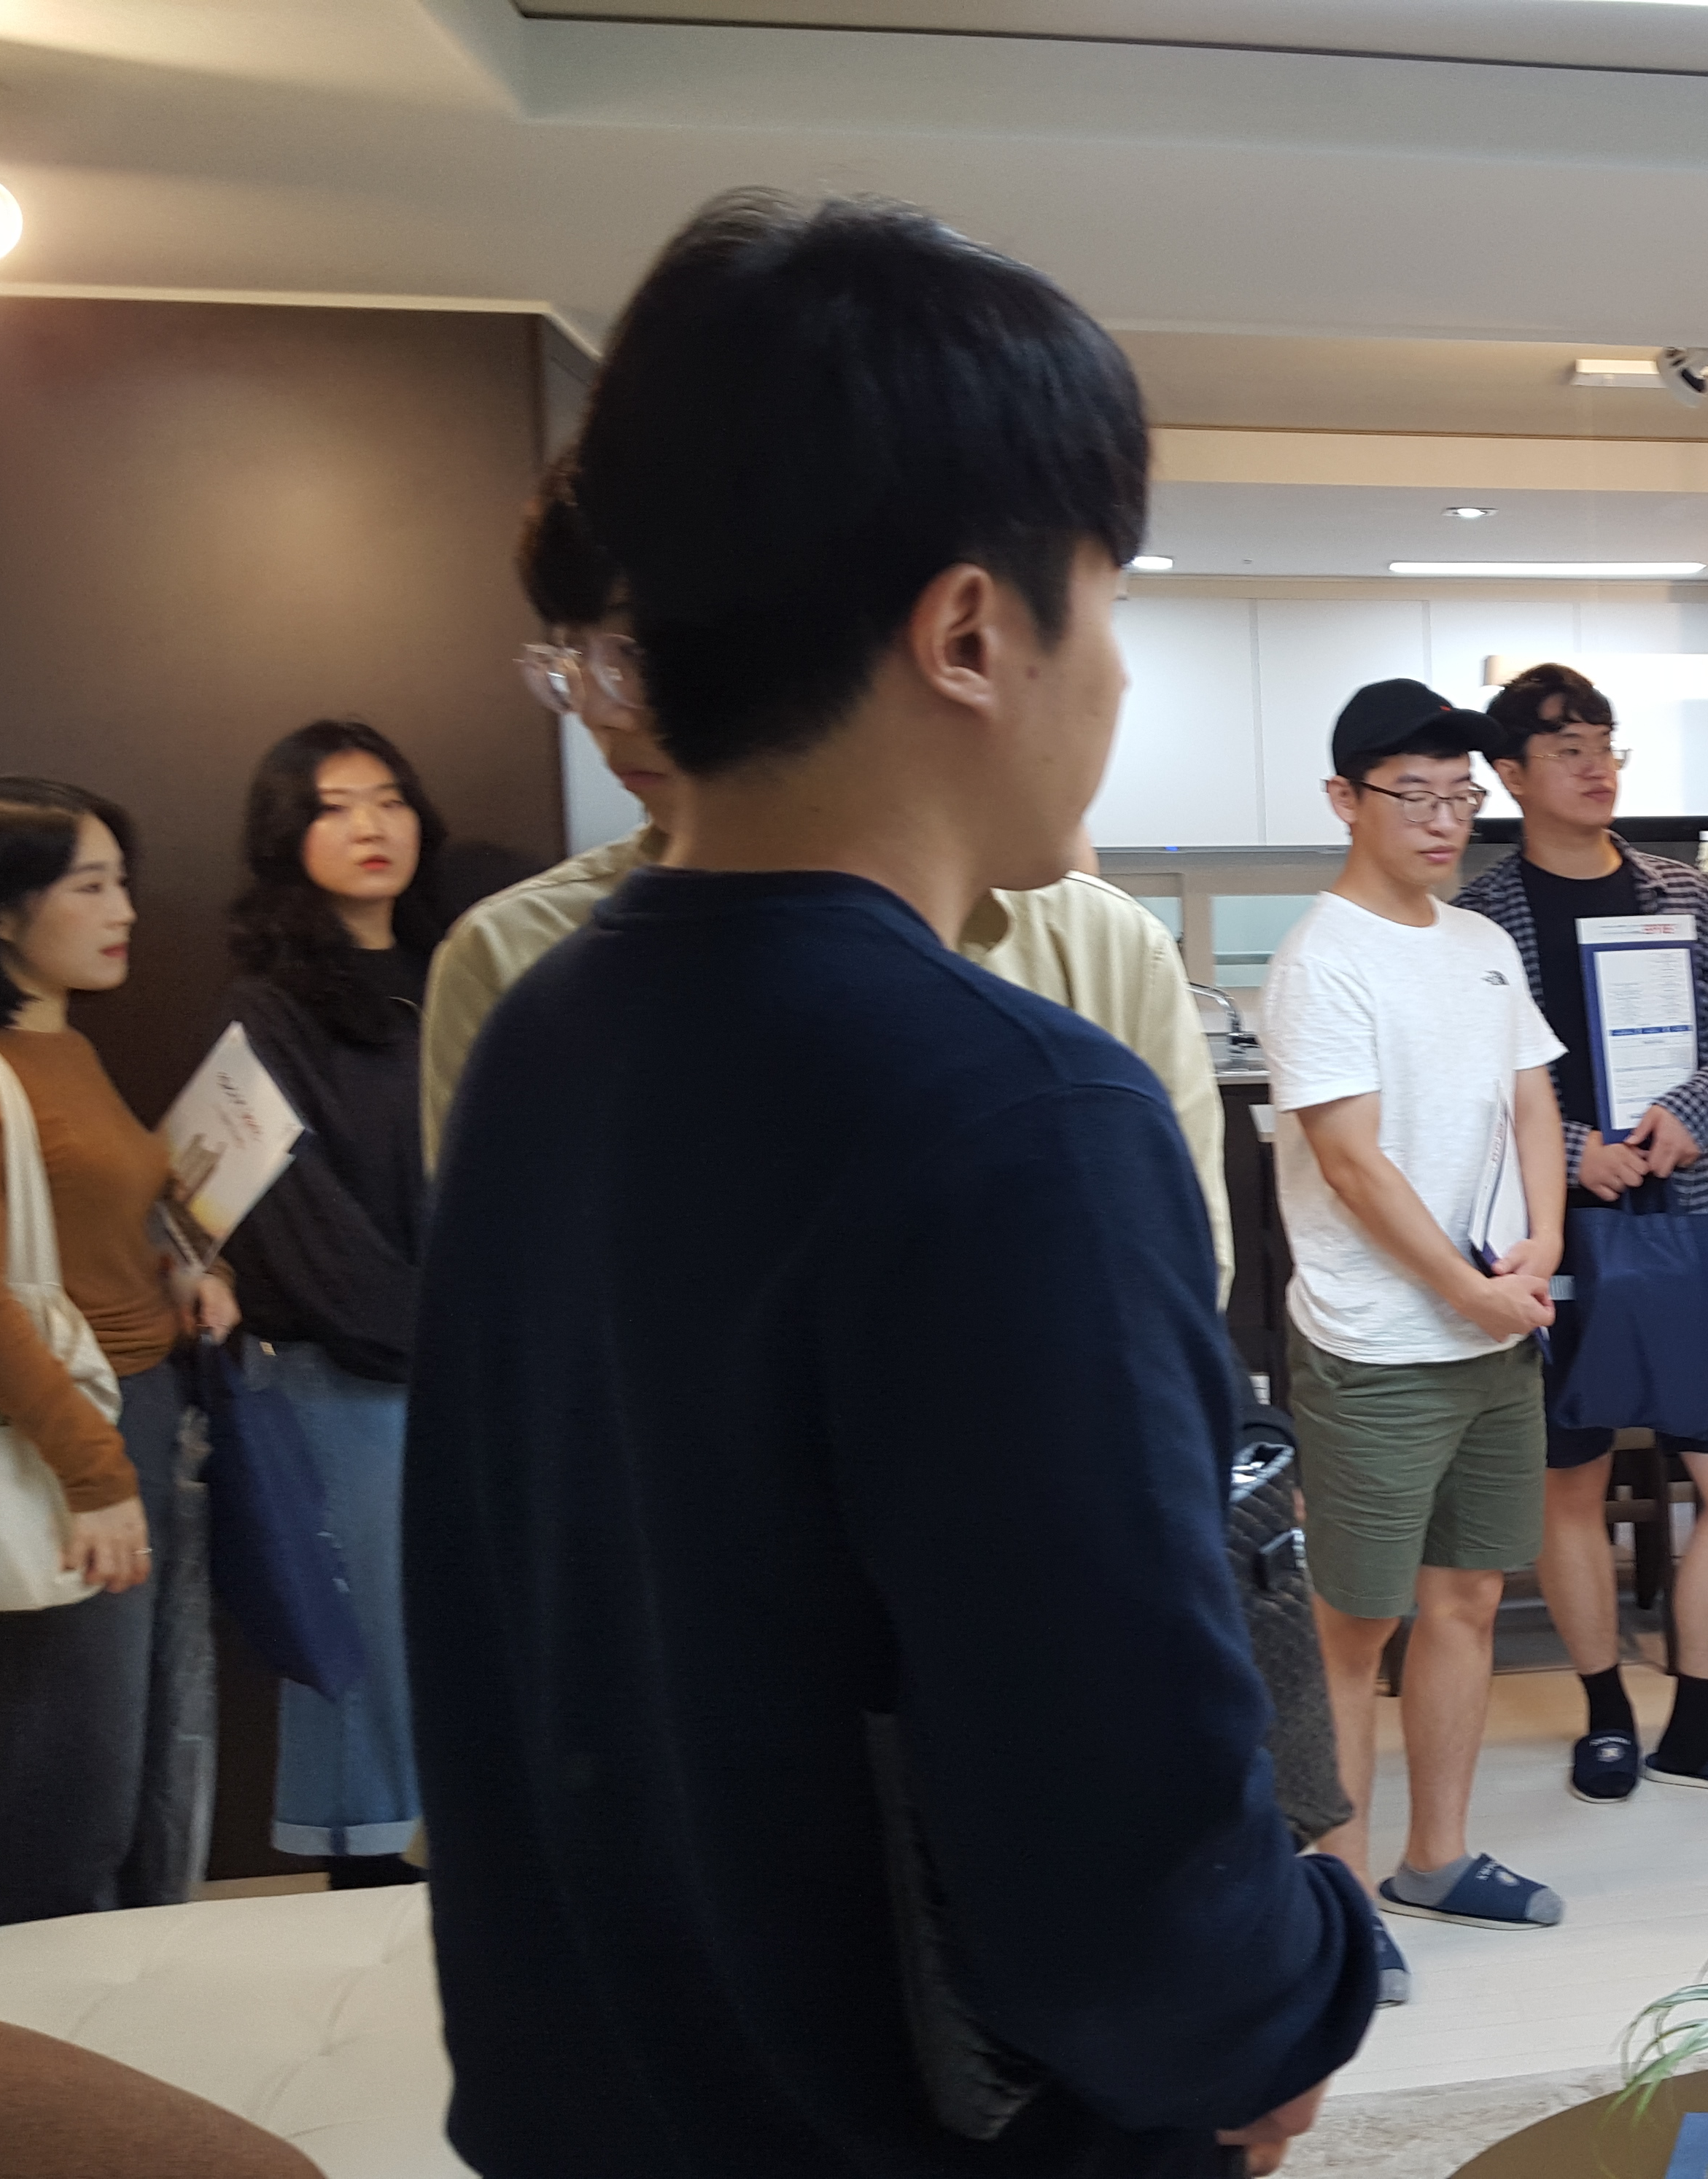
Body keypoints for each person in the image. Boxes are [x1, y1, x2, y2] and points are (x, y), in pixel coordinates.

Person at [403, 191, 1366, 2177]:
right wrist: (1300, 1978)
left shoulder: (541, 1030)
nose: (1117, 676)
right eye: (1108, 597)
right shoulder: (1018, 1105)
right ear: (970, 631)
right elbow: (1132, 1881)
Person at [423, 478, 1233, 1300]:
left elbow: (1182, 1287)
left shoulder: (1105, 957)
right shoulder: (520, 967)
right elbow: (507, 1313)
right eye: (576, 664)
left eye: (633, 656)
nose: (605, 712)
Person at [1454, 662, 1708, 1805]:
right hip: (1550, 1244)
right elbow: (1467, 1088)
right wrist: (1571, 1152)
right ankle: (1605, 1712)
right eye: (1568, 749)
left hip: (1679, 1225)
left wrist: (1688, 1114)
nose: (1596, 766)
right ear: (1511, 775)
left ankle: (1698, 1723)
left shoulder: (1682, 895)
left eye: (1606, 744)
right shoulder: (1479, 921)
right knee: (1573, 1487)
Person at [1268, 677, 1569, 1999]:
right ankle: (1337, 1902)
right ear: (1347, 799)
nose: (1447, 820)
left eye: (1463, 796)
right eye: (1417, 794)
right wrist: (1467, 1289)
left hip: (1494, 1330)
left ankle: (1436, 1857)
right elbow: (1350, 1163)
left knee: (1468, 1598)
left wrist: (1542, 1242)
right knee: (1354, 1627)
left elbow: (1531, 1101)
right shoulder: (1319, 958)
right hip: (1377, 1347)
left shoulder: (1480, 943)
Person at [0, 777, 235, 1926]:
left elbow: (90, 1231)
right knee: (65, 1801)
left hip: (143, 1421)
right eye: (91, 885)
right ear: (1, 910)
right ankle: (30, 2036)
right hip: (66, 1447)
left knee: (141, 1776)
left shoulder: (65, 1043)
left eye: (124, 882)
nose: (124, 911)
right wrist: (94, 1473)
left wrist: (184, 1267)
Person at [215, 719, 443, 1889]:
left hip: (481, 1377)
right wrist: (442, 1339)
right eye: (335, 806)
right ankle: (374, 1903)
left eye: (390, 799)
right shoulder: (268, 1011)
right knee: (379, 1672)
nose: (371, 826)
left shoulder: (462, 971)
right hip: (354, 1387)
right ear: (286, 836)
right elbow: (301, 1231)